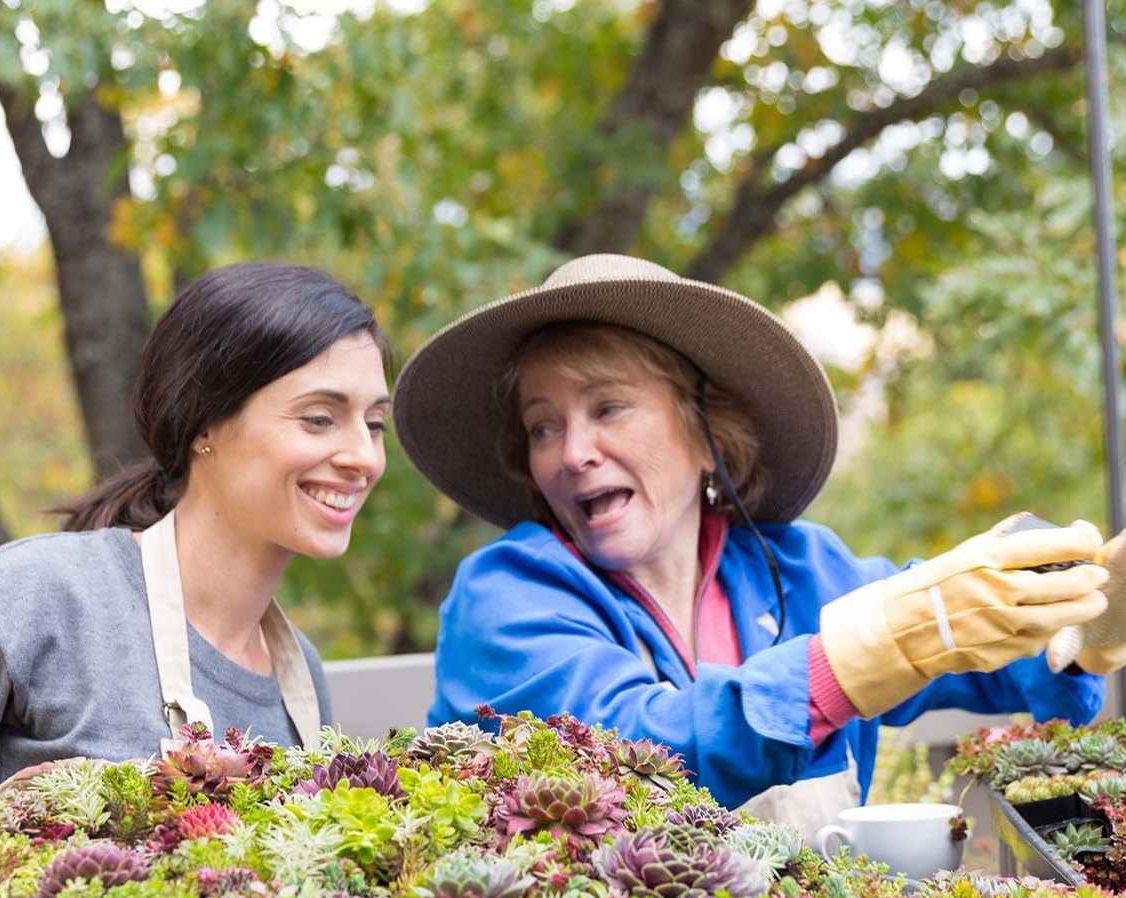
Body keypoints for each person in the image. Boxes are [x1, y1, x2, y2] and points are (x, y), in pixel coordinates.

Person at [393, 253, 1126, 824]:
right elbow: (633, 758)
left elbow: (972, 649)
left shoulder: (799, 567)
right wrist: (852, 661)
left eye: (608, 408)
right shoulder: (504, 597)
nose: (571, 451)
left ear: (707, 437)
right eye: (543, 426)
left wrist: (1079, 624)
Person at [0, 261, 391, 898]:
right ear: (206, 426)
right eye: (320, 419)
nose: (364, 456)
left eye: (375, 423)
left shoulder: (301, 677)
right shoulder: (31, 600)